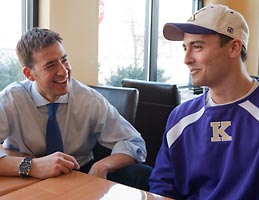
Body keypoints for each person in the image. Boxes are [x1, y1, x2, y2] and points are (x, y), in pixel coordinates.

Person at [0, 27, 152, 191]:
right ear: (29, 74)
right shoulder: (11, 99)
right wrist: (33, 166)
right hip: (25, 174)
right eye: (51, 65)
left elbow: (133, 142)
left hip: (79, 171)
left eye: (64, 60)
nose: (63, 71)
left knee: (142, 173)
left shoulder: (88, 99)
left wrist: (103, 166)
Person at [149, 4, 259, 199]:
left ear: (234, 48)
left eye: (197, 47)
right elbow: (162, 186)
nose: (187, 59)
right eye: (185, 48)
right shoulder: (180, 117)